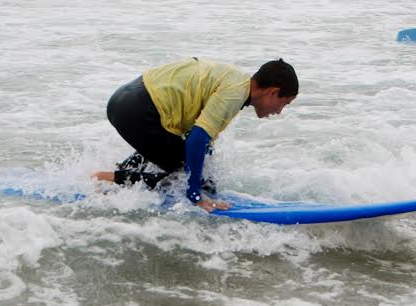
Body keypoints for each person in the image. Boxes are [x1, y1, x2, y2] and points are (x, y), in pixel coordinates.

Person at [93, 58, 298, 212]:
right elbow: (197, 139)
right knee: (187, 176)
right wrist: (196, 195)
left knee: (194, 168)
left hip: (127, 100)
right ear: (273, 92)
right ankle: (107, 179)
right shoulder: (235, 93)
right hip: (138, 109)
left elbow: (197, 140)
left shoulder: (235, 81)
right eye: (284, 103)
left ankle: (117, 175)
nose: (279, 111)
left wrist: (209, 184)